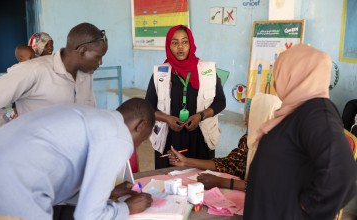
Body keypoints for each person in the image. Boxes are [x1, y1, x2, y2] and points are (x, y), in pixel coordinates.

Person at [244, 44, 357, 220]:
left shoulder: (317, 113)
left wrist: (306, 208)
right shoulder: (298, 110)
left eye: (280, 71)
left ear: (296, 73)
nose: (275, 80)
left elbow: (342, 174)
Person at [0, 98, 154, 220]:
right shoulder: (119, 135)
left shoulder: (89, 115)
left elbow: (61, 175)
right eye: (141, 140)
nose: (135, 147)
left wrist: (107, 194)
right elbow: (88, 216)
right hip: (13, 197)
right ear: (140, 125)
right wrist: (127, 208)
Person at [145, 24, 226, 169]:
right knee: (168, 182)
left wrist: (200, 116)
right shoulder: (160, 74)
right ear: (168, 46)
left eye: (184, 41)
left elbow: (220, 102)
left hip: (200, 137)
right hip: (169, 138)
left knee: (199, 181)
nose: (180, 47)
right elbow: (147, 107)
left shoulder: (207, 70)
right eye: (175, 43)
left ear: (191, 44)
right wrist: (167, 119)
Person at [0, 22, 107, 126]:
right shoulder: (34, 70)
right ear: (82, 51)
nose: (100, 62)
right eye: (98, 56)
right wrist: (9, 128)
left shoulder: (85, 74)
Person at [168, 93, 282, 191]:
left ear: (262, 116)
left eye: (251, 113)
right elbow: (229, 164)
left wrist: (221, 182)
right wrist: (186, 161)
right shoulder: (248, 140)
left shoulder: (280, 149)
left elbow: (264, 187)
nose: (246, 118)